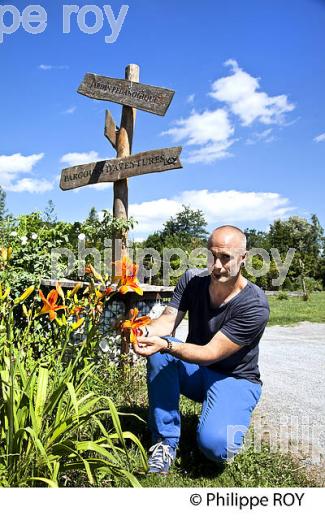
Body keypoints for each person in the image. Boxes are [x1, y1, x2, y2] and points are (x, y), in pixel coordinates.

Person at [134, 225, 270, 475]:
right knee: (160, 354)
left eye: (226, 257)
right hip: (197, 370)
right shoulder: (191, 281)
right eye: (212, 256)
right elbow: (167, 321)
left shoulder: (255, 304)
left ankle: (226, 412)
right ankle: (165, 441)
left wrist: (165, 343)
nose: (216, 265)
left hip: (235, 377)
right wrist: (141, 332)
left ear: (244, 258)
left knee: (216, 448)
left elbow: (210, 353)